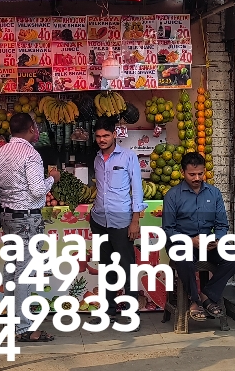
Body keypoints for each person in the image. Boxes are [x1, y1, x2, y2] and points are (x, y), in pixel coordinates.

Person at [0, 113, 61, 342]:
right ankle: (24, 328)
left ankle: (14, 320)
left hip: (8, 217)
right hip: (26, 219)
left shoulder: (1, 152)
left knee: (11, 270)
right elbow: (37, 190)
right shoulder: (30, 154)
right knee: (23, 273)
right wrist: (52, 179)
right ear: (32, 129)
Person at [161, 152, 235, 322]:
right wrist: (190, 241)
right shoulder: (172, 195)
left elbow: (222, 225)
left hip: (207, 243)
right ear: (182, 172)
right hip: (181, 243)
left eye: (200, 173)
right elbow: (168, 229)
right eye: (192, 174)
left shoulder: (214, 193)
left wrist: (216, 240)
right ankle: (194, 300)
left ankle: (207, 295)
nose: (197, 178)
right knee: (184, 258)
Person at [89, 116, 145, 321]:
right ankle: (108, 310)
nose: (102, 140)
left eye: (106, 135)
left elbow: (137, 190)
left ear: (114, 134)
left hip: (121, 221)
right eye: (98, 136)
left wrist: (135, 221)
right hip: (99, 220)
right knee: (106, 267)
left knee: (127, 268)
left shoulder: (128, 157)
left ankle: (132, 314)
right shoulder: (97, 158)